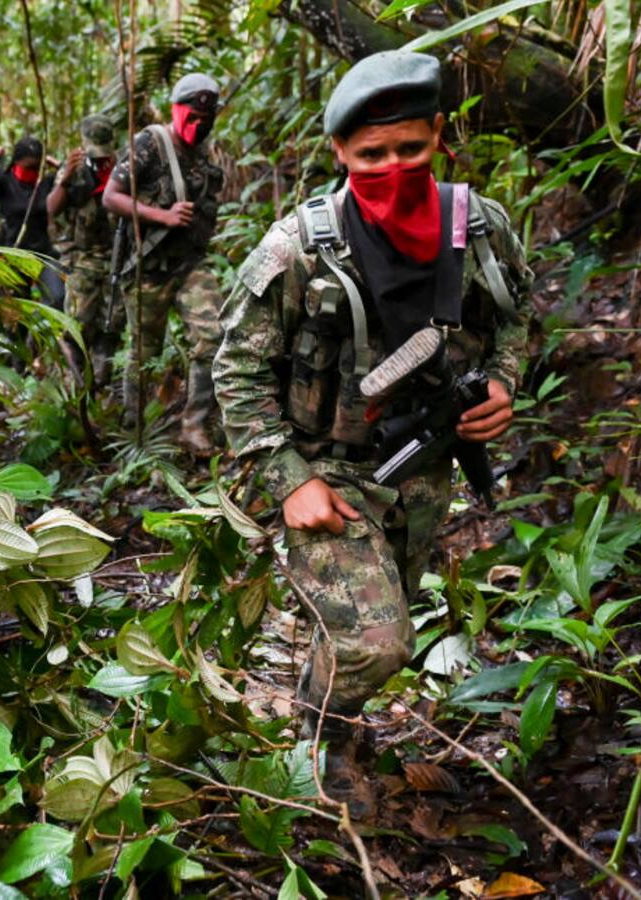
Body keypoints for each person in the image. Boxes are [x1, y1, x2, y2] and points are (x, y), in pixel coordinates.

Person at [213, 51, 531, 817]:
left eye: (410, 149)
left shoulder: (480, 228)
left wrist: (502, 384)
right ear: (339, 155)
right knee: (376, 642)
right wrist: (288, 479)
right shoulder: (297, 249)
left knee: (385, 625)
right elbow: (235, 372)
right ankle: (317, 742)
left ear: (439, 136)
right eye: (371, 155)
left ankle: (342, 731)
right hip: (325, 465)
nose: (393, 167)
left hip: (423, 467)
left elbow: (517, 318)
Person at [102, 73, 225, 455]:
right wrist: (162, 215)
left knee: (213, 336)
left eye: (207, 117)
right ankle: (136, 432)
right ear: (177, 110)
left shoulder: (203, 154)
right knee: (144, 353)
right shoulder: (150, 143)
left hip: (189, 265)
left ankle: (195, 426)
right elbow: (111, 196)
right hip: (148, 269)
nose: (199, 123)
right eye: (193, 115)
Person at [47, 114, 122, 387]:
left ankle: (102, 382)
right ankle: (75, 384)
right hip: (84, 259)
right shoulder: (75, 170)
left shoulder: (122, 166)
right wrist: (65, 179)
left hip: (118, 260)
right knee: (77, 325)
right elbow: (51, 208)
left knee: (112, 323)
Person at [0, 136, 65, 308]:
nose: (33, 170)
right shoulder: (4, 182)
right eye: (29, 166)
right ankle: (21, 334)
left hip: (43, 253)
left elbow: (71, 177)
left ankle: (39, 333)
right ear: (17, 162)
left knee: (57, 298)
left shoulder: (46, 182)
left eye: (37, 166)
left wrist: (55, 163)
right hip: (14, 254)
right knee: (17, 309)